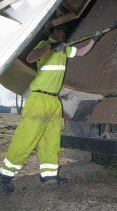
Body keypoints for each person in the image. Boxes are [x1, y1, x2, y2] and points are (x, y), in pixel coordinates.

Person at [0, 24, 103, 194]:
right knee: (26, 138)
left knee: (52, 140)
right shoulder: (43, 44)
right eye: (60, 29)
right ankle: (5, 176)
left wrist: (95, 38)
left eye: (64, 30)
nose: (64, 32)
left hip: (54, 101)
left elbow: (82, 52)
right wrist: (51, 46)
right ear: (52, 32)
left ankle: (48, 175)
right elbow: (31, 58)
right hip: (39, 99)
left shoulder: (64, 49)